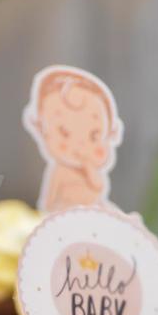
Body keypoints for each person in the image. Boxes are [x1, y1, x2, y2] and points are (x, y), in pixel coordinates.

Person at [23, 66, 123, 214]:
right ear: (43, 131)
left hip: (94, 214)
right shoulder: (60, 171)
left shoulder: (90, 170)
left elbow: (98, 185)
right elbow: (49, 200)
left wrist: (89, 167)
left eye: (94, 135)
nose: (80, 145)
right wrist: (49, 213)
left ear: (109, 134)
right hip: (64, 217)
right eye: (65, 133)